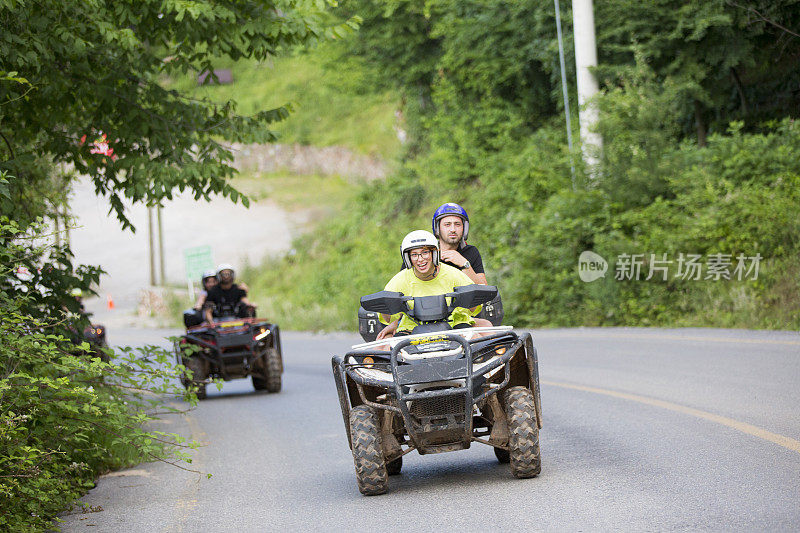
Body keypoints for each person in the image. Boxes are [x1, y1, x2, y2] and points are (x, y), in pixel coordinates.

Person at [376, 230, 492, 340]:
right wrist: (384, 308)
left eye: (425, 252)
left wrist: (468, 300)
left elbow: (474, 308)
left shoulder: (454, 274)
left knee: (478, 342)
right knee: (384, 351)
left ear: (434, 253)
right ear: (408, 258)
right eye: (414, 255)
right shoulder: (398, 281)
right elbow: (388, 318)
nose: (420, 259)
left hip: (455, 328)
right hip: (411, 331)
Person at [432, 202, 486, 285]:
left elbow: (484, 290)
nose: (453, 229)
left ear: (464, 229)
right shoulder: (426, 253)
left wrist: (464, 263)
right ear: (437, 229)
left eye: (457, 224)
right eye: (447, 225)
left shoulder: (471, 251)